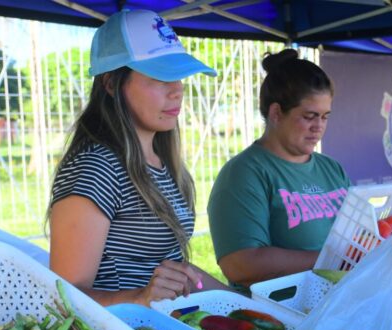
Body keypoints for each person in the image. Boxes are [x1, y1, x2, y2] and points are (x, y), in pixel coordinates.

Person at [47, 9, 227, 307]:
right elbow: (64, 297)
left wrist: (244, 305)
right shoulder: (96, 168)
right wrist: (140, 298)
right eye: (160, 77)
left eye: (179, 75)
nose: (177, 91)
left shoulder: (163, 160)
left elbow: (178, 272)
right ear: (110, 83)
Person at [207, 49, 350, 289]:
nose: (319, 127)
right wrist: (330, 261)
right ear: (276, 113)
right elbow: (240, 265)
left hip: (340, 307)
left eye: (325, 117)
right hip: (277, 317)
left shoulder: (332, 169)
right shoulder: (244, 174)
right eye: (309, 116)